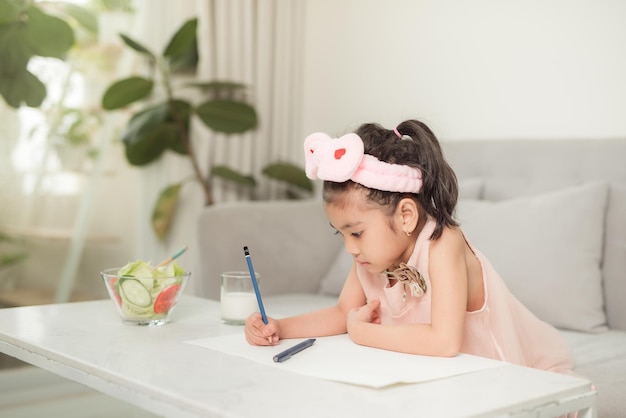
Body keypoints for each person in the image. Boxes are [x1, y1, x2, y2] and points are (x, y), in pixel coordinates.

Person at [244, 119, 574, 375]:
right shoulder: (373, 256)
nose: (349, 248)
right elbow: (343, 312)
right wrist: (279, 327)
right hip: (445, 377)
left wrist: (361, 333)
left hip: (511, 374)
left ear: (405, 215)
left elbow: (443, 341)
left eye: (356, 233)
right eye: (340, 235)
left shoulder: (442, 242)